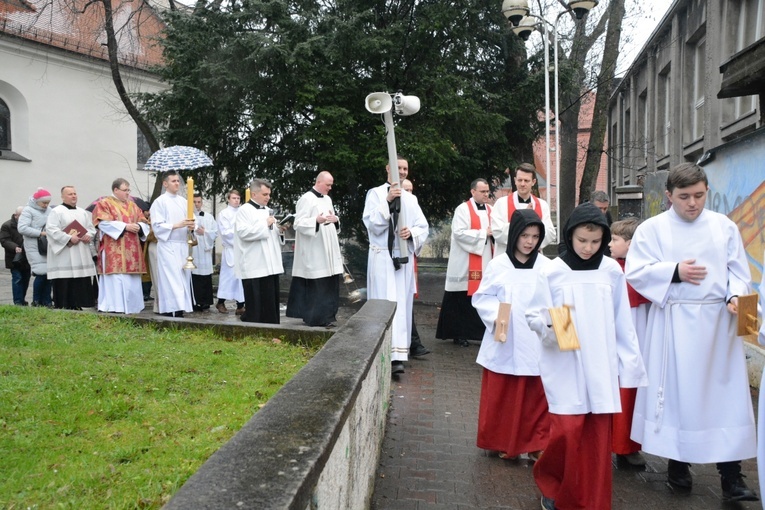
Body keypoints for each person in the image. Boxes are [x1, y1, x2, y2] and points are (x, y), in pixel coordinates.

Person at [625, 163, 758, 502]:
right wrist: (674, 272)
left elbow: (739, 273)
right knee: (680, 397)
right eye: (684, 197)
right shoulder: (652, 229)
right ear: (669, 196)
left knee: (723, 400)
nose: (693, 204)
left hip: (717, 326)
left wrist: (733, 297)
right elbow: (637, 272)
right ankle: (678, 464)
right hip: (674, 323)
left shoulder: (723, 226)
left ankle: (732, 478)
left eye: (699, 195)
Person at [525, 202, 647, 510]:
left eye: (595, 242)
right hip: (565, 363)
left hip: (602, 366)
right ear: (569, 236)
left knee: (594, 442)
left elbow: (623, 321)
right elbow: (533, 314)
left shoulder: (611, 272)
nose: (588, 248)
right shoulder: (553, 271)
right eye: (582, 240)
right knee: (566, 433)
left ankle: (590, 501)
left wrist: (629, 366)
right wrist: (550, 324)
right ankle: (551, 481)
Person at [472, 209, 550, 462]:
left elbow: (558, 301)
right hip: (506, 337)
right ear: (515, 234)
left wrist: (563, 335)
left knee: (536, 396)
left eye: (535, 236)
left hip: (536, 341)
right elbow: (482, 297)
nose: (529, 241)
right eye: (525, 235)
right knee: (504, 395)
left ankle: (537, 443)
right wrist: (498, 316)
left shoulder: (548, 267)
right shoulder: (498, 265)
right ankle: (502, 440)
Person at [363, 155, 429, 374]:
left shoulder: (411, 199)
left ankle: (398, 355)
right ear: (388, 169)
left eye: (405, 168)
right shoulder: (375, 193)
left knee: (401, 305)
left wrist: (411, 233)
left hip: (402, 260)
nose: (402, 172)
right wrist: (388, 201)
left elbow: (423, 226)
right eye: (398, 168)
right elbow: (372, 224)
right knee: (384, 301)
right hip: (382, 258)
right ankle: (381, 351)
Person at [608, 217, 649, 467]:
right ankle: (620, 445)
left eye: (615, 240)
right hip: (616, 338)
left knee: (629, 390)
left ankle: (626, 445)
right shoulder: (612, 268)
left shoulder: (637, 272)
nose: (610, 245)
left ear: (631, 244)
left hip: (637, 332)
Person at [436, 178, 493, 347]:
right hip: (465, 262)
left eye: (487, 191)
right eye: (482, 191)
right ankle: (458, 333)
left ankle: (479, 333)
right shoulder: (462, 209)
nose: (486, 194)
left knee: (481, 296)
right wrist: (484, 233)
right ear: (473, 192)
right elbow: (459, 233)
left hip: (485, 260)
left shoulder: (491, 210)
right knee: (460, 298)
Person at [286, 171, 343, 327]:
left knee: (330, 283)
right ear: (319, 182)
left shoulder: (328, 199)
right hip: (315, 250)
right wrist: (316, 220)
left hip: (329, 249)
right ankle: (316, 317)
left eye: (331, 185)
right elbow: (298, 223)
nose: (330, 188)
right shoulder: (306, 199)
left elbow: (332, 218)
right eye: (328, 185)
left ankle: (329, 316)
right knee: (318, 284)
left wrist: (335, 220)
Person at [92, 178, 149, 314]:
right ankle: (114, 306)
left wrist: (139, 226)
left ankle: (133, 307)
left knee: (132, 279)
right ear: (115, 190)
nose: (127, 193)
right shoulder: (104, 204)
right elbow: (102, 223)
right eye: (125, 190)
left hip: (132, 249)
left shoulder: (133, 206)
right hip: (114, 248)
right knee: (116, 278)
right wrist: (125, 226)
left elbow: (144, 222)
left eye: (129, 190)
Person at [234, 179, 284, 324]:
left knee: (270, 299)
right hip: (254, 263)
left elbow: (271, 234)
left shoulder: (268, 210)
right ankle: (254, 326)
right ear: (254, 194)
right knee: (256, 301)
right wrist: (265, 224)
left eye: (269, 194)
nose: (268, 197)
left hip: (270, 263)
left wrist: (279, 230)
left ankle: (271, 325)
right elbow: (243, 233)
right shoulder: (244, 210)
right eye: (265, 194)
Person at [150, 171, 195, 318]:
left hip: (182, 245)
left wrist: (192, 225)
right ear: (165, 183)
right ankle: (171, 309)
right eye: (174, 181)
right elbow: (157, 226)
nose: (177, 183)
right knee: (171, 277)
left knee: (182, 277)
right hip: (168, 244)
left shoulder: (183, 201)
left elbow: (193, 219)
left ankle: (180, 308)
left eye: (178, 181)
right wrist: (177, 225)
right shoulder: (160, 202)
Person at [46, 185, 98, 310]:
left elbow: (91, 229)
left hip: (80, 250)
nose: (73, 196)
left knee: (80, 279)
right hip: (65, 252)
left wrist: (87, 235)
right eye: (70, 194)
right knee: (65, 279)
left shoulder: (82, 212)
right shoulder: (56, 211)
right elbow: (51, 230)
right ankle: (64, 305)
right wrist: (68, 238)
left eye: (75, 193)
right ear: (62, 196)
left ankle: (80, 304)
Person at [491, 163, 556, 256]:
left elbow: (550, 233)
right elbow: (497, 232)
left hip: (533, 259)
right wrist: (523, 221)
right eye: (520, 180)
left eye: (526, 180)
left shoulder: (542, 205)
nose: (522, 184)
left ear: (533, 182)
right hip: (508, 259)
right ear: (515, 180)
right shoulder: (501, 203)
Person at [401, 178, 430, 357]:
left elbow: (422, 229)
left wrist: (412, 233)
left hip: (409, 260)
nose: (409, 194)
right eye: (406, 190)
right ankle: (412, 343)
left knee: (408, 302)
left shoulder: (413, 206)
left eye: (411, 190)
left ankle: (413, 342)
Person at [18, 188, 53, 307]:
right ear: (36, 201)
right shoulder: (28, 210)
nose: (46, 205)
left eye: (47, 203)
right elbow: (22, 228)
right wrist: (41, 233)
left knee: (49, 274)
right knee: (41, 273)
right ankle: (37, 300)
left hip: (46, 245)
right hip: (34, 246)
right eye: (43, 202)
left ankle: (47, 300)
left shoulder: (49, 210)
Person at [216, 190, 245, 314]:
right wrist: (239, 231)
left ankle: (240, 305)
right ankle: (221, 302)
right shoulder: (224, 214)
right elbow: (225, 232)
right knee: (228, 278)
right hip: (231, 249)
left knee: (241, 278)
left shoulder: (243, 212)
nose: (236, 200)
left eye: (238, 198)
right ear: (228, 199)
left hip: (242, 250)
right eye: (234, 198)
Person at [190, 193, 218, 311]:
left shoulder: (209, 217)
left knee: (205, 276)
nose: (197, 204)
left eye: (198, 202)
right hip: (193, 250)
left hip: (205, 250)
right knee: (194, 275)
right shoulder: (188, 216)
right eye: (194, 202)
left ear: (202, 203)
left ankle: (205, 301)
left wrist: (205, 232)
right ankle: (194, 301)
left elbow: (215, 232)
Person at [1, 206, 31, 305]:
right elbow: (4, 240)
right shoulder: (7, 225)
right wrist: (15, 247)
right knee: (17, 278)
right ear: (16, 215)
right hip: (14, 257)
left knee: (26, 279)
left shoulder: (29, 225)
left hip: (27, 257)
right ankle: (18, 301)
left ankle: (22, 299)